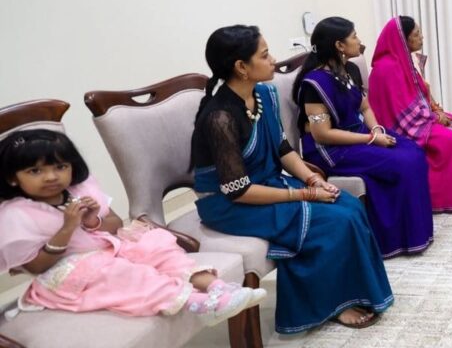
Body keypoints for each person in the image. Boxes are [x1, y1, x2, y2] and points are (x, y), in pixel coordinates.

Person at [191, 25, 393, 332]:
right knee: (333, 222)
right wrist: (305, 195)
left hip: (266, 186)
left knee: (349, 206)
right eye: (265, 54)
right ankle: (330, 305)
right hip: (231, 205)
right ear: (241, 67)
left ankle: (351, 293)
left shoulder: (263, 95)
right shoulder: (220, 117)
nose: (273, 60)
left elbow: (284, 150)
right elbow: (238, 191)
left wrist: (313, 180)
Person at [0, 129, 265, 324]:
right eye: (35, 171)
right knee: (122, 272)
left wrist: (93, 220)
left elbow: (115, 223)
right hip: (71, 270)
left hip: (109, 246)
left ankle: (214, 287)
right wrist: (66, 229)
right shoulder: (17, 214)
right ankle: (197, 304)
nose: (51, 177)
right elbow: (34, 266)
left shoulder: (79, 189)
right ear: (12, 178)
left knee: (155, 244)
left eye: (60, 166)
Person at [294, 16, 434, 256]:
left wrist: (376, 129)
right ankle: (393, 239)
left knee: (413, 152)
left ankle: (412, 233)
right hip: (329, 149)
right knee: (403, 163)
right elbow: (322, 133)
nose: (360, 41)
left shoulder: (348, 70)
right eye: (354, 36)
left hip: (359, 134)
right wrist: (371, 139)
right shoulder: (314, 85)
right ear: (339, 45)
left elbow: (365, 107)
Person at [368, 16, 452, 213]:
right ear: (402, 39)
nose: (422, 37)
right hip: (401, 125)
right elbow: (398, 110)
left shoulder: (404, 61)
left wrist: (435, 109)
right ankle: (445, 199)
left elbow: (418, 95)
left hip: (419, 116)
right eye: (416, 34)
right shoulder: (386, 69)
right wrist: (433, 117)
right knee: (449, 140)